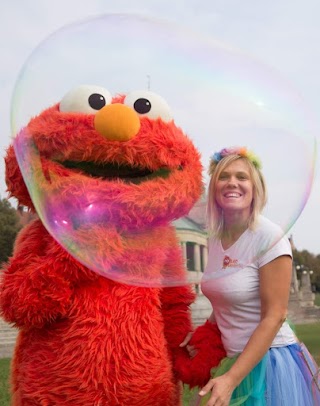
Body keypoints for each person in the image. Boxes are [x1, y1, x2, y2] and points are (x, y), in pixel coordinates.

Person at [181, 146, 320, 405]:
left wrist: (231, 379)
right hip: (236, 360)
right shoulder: (214, 239)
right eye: (224, 176)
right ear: (214, 188)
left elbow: (275, 316)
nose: (232, 182)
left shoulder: (269, 237)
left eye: (241, 177)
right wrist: (203, 332)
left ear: (255, 187)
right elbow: (227, 300)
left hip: (270, 362)